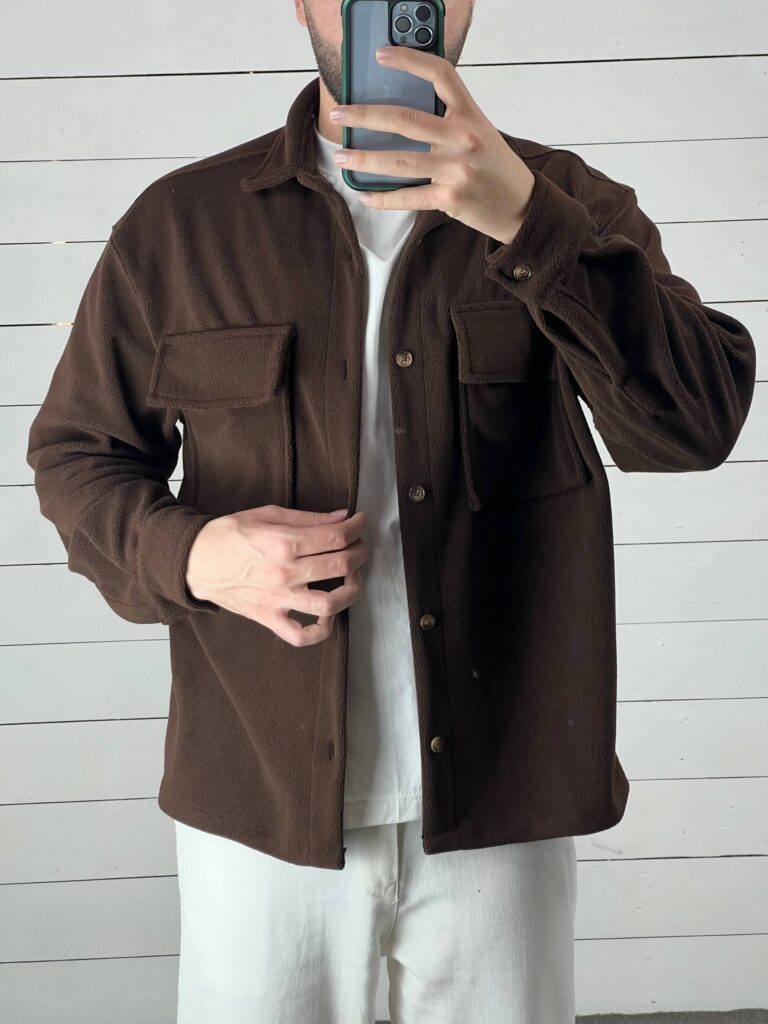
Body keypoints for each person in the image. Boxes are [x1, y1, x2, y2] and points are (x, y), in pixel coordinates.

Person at [26, 1, 756, 1022]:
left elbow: (693, 425)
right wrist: (194, 557)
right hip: (257, 808)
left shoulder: (569, 202)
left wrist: (529, 222)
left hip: (503, 803)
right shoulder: (181, 226)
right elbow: (77, 454)